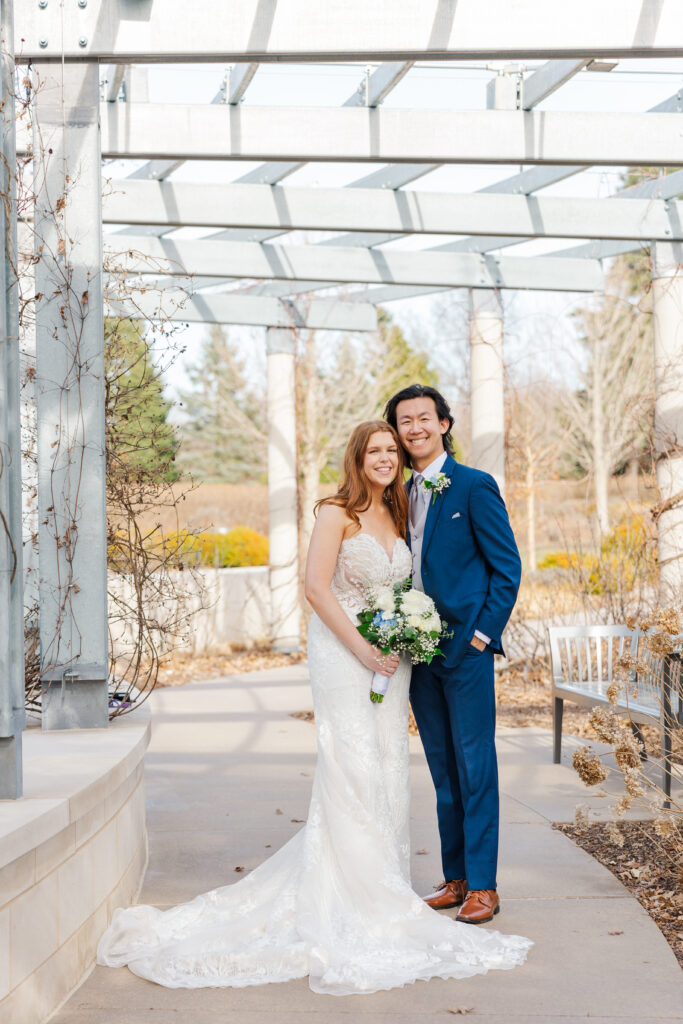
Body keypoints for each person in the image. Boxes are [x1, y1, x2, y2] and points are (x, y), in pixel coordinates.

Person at [96, 420, 530, 995]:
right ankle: (353, 894)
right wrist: (366, 648)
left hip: (395, 661)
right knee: (351, 767)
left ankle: (391, 886)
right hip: (349, 655)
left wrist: (422, 640)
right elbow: (316, 588)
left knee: (389, 768)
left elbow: (444, 578)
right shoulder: (336, 511)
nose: (385, 457)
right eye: (375, 449)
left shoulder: (403, 509)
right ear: (356, 457)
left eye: (392, 450)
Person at [385, 385, 522, 925]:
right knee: (443, 772)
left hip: (466, 652)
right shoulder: (396, 491)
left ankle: (485, 886)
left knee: (475, 768)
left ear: (444, 423)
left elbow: (506, 568)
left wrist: (482, 637)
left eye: (423, 418)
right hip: (417, 656)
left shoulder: (473, 485)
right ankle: (456, 877)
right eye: (404, 421)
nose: (414, 427)